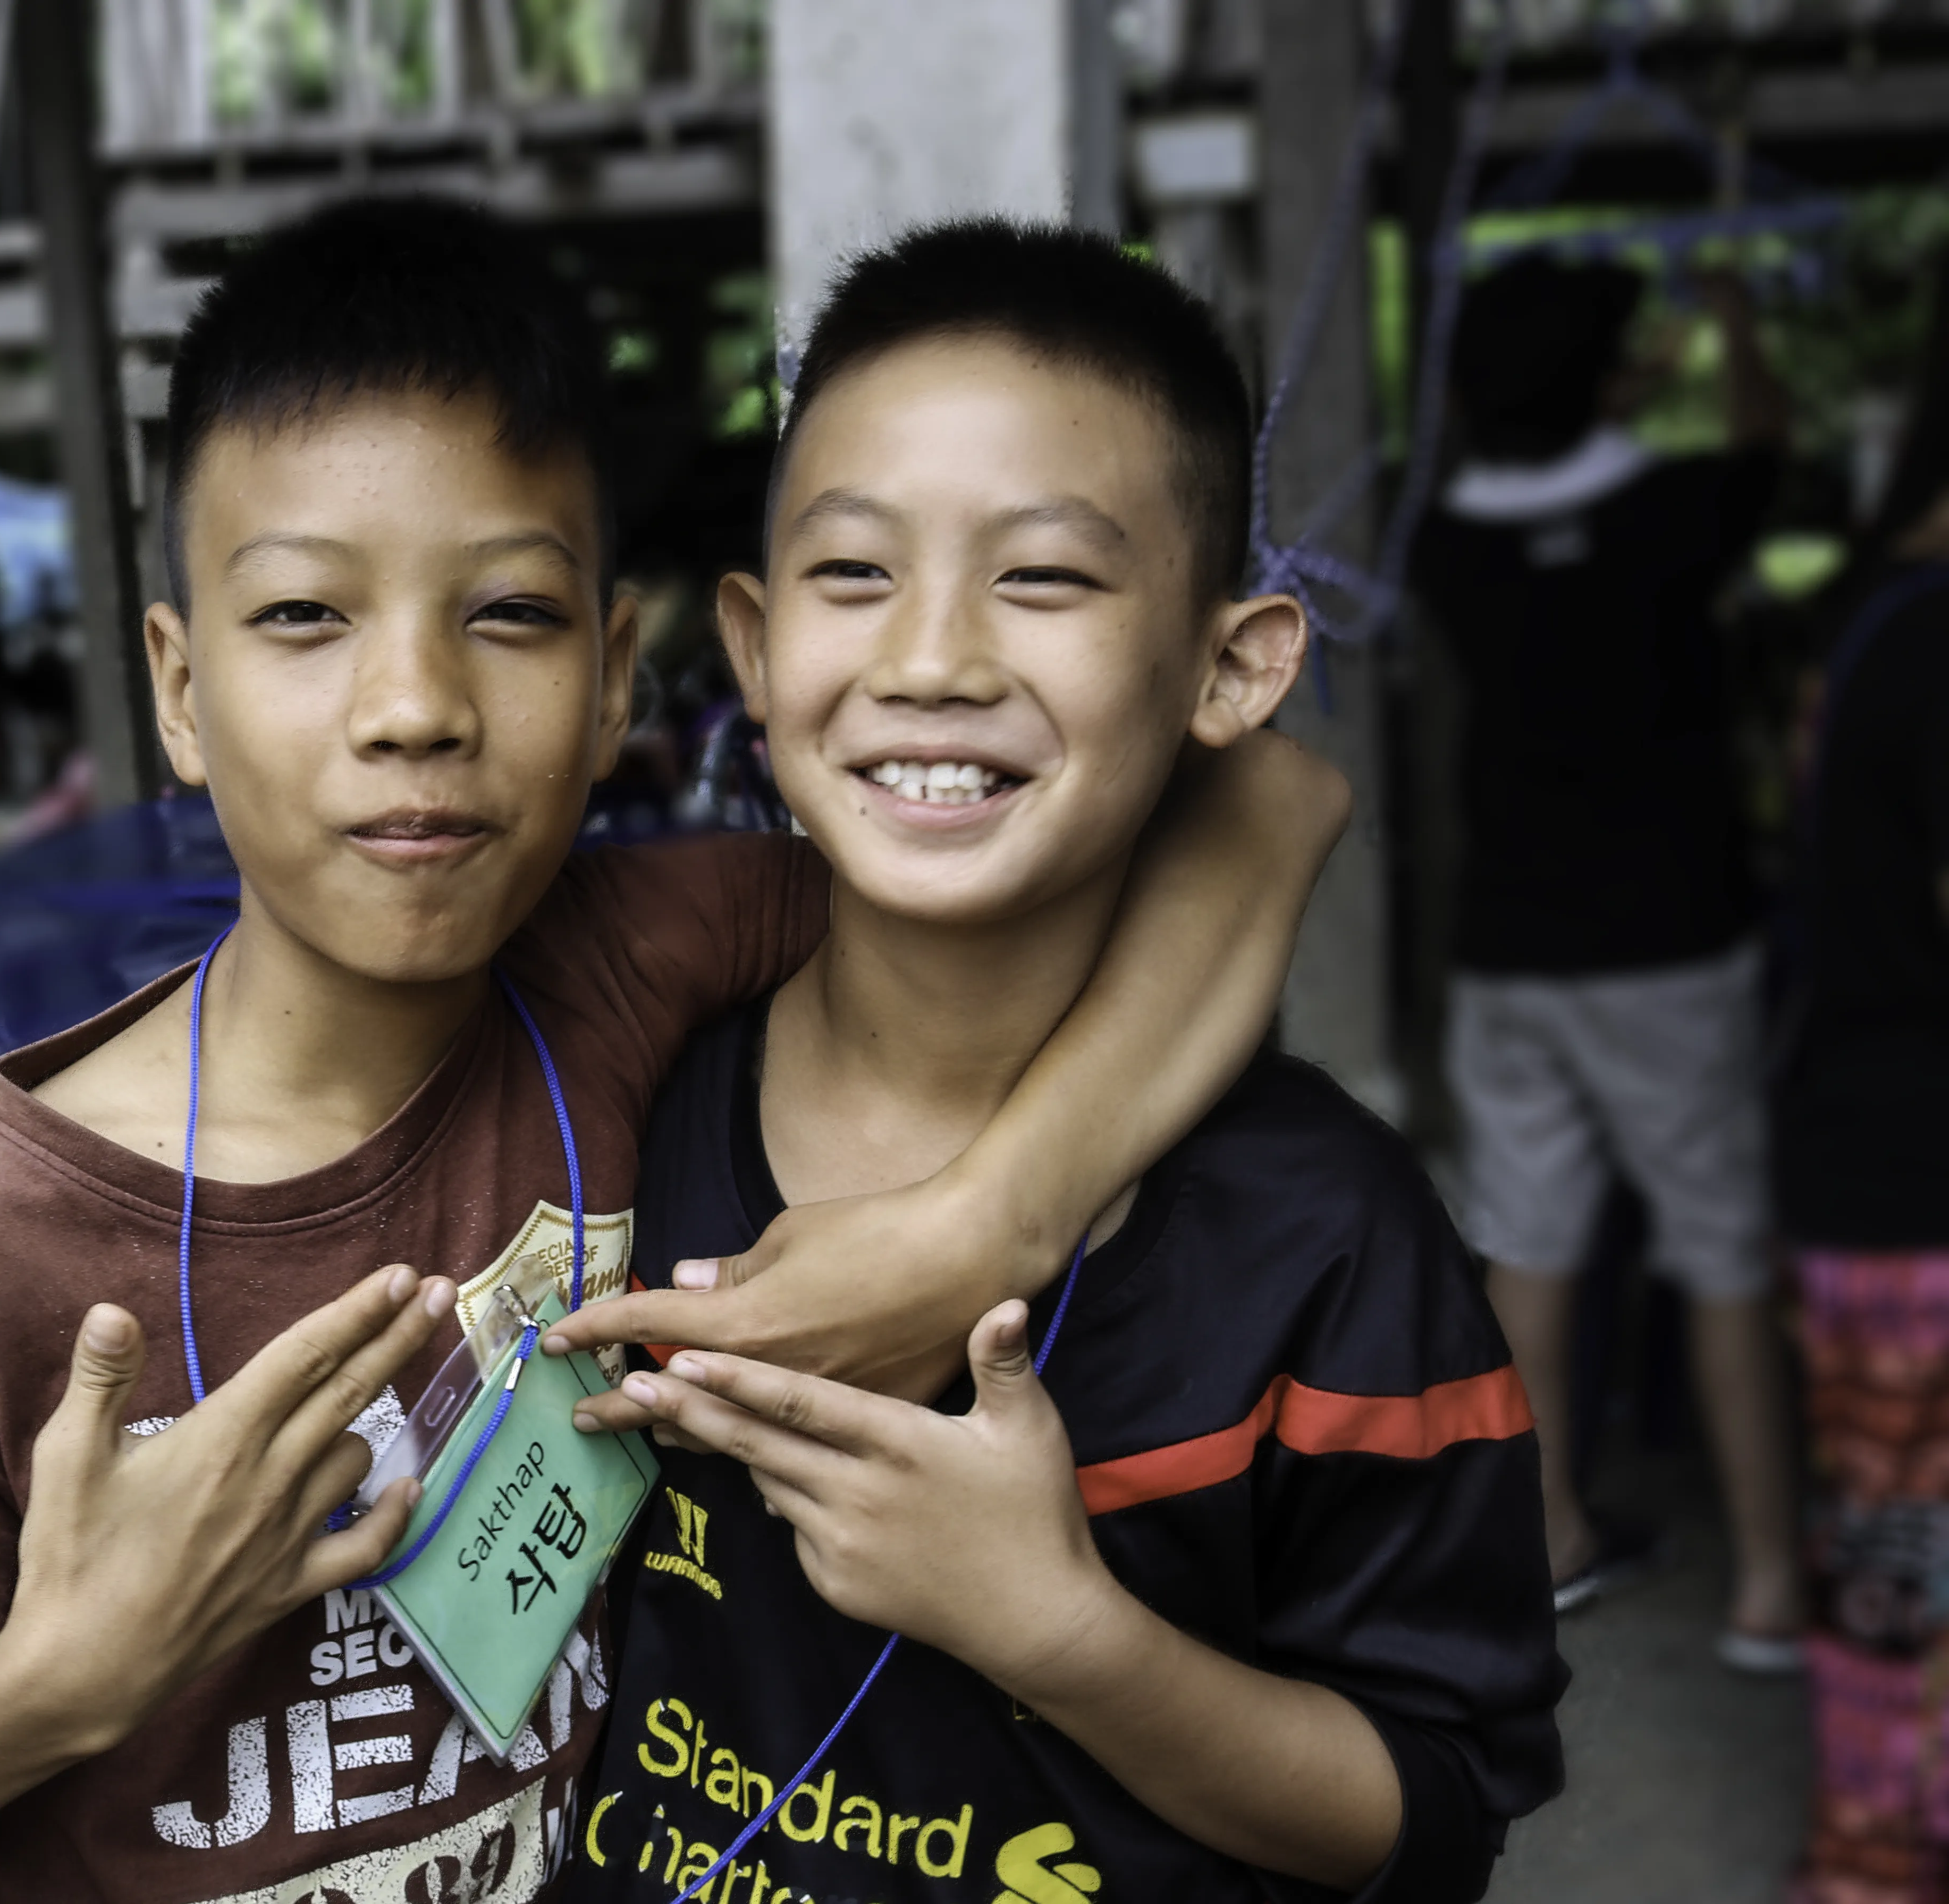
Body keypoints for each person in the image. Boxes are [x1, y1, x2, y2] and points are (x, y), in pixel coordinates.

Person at [0, 198, 1347, 1904]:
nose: (415, 704)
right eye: (303, 618)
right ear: (180, 691)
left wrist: (989, 1221)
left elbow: (1263, 793)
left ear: (613, 678)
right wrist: (49, 1689)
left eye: (506, 613)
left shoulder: (626, 961)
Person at [555, 221, 1566, 1903]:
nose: (934, 657)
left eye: (1045, 577)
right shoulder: (615, 1109)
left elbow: (1438, 1809)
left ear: (1230, 666)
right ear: (749, 642)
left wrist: (1065, 1633)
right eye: (854, 573)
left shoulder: (1330, 1244)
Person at [1407, 253, 1803, 1665]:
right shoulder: (1674, 511)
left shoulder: (1447, 542)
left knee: (1530, 1242)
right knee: (1720, 1255)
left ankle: (1553, 1533)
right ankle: (1768, 1583)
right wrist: (1735, 324)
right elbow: (1768, 438)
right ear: (1613, 381)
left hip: (1511, 950)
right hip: (1671, 950)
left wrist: (1586, 382)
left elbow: (1502, 447)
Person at [1774, 261, 1949, 1901]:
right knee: (1906, 1553)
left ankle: (1873, 1857)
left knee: (1895, 1557)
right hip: (1916, 1191)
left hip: (1867, 1179)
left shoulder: (1863, 619)